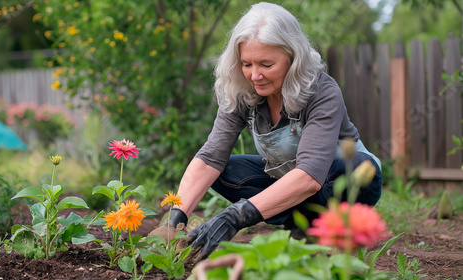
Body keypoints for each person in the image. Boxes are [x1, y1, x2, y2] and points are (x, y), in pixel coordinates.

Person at [152, 2, 382, 261]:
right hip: (290, 186)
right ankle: (301, 224)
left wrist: (236, 216)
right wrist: (176, 217)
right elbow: (211, 156)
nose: (255, 75)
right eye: (247, 64)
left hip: (339, 182)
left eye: (266, 64)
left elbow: (309, 176)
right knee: (224, 172)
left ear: (293, 58)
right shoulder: (241, 90)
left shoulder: (322, 92)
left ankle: (336, 230)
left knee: (358, 164)